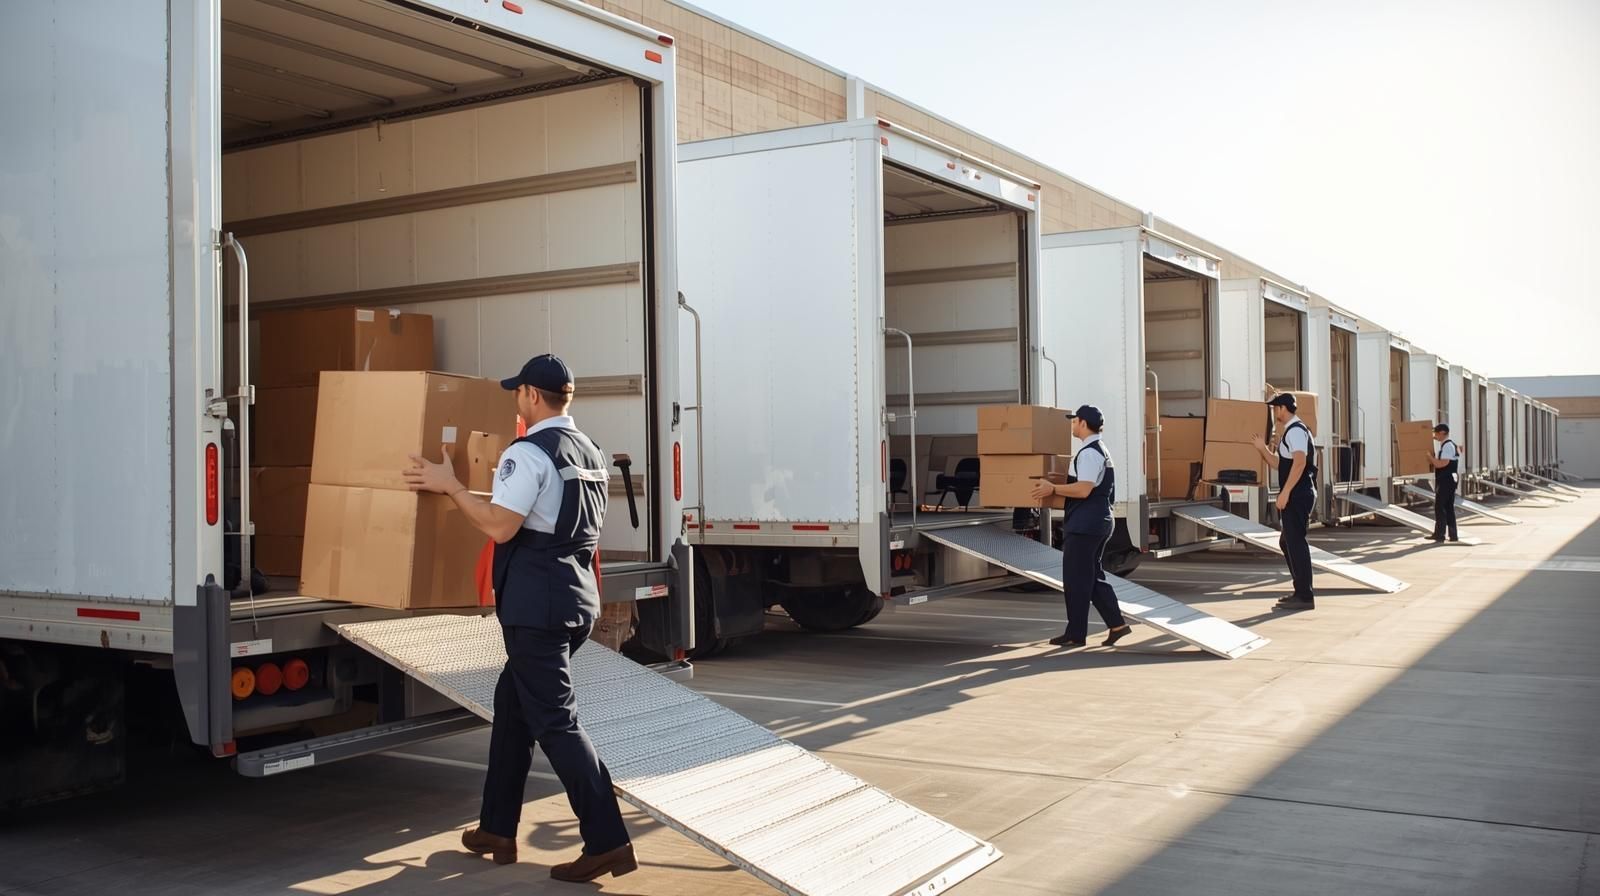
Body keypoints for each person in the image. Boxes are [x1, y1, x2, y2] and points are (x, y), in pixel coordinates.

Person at [402, 354, 636, 884]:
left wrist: (450, 485)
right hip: (576, 600)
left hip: (538, 608)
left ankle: (608, 841)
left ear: (532, 395)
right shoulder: (589, 449)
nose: (516, 400)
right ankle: (497, 828)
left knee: (556, 722)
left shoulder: (528, 452)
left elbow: (501, 526)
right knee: (513, 704)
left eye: (517, 392)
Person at [1031, 405, 1133, 648]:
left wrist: (1053, 488)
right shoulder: (1100, 450)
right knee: (1091, 576)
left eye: (1074, 421)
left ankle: (1076, 634)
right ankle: (1117, 625)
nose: (1072, 425)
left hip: (1086, 524)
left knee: (1076, 579)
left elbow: (1084, 489)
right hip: (1097, 522)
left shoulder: (1089, 453)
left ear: (1084, 423)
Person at [1252, 393, 1317, 610]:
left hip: (1298, 495)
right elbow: (1278, 464)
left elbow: (1299, 464)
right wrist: (1262, 448)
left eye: (1274, 408)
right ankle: (1301, 590)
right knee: (1287, 542)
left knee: (1296, 542)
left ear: (1282, 409)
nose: (1273, 412)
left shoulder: (1296, 431)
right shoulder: (1291, 432)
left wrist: (1285, 493)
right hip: (1297, 494)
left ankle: (1305, 595)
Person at [1429, 423, 1460, 543]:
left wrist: (1430, 458)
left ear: (1442, 433)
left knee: (1440, 506)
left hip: (1446, 479)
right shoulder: (1449, 445)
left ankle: (1440, 534)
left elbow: (1442, 464)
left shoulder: (1447, 446)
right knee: (1448, 507)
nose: (1435, 435)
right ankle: (1452, 535)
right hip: (1450, 479)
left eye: (1436, 433)